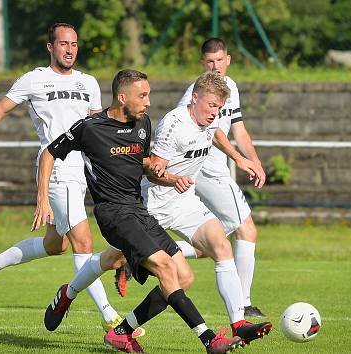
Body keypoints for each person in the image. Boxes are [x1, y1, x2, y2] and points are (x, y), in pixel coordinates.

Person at [34, 69, 243, 353]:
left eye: (149, 95)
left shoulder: (143, 123)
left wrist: (169, 177)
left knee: (184, 276)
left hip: (139, 211)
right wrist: (42, 198)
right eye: (142, 96)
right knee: (166, 267)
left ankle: (116, 328)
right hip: (112, 214)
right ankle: (209, 340)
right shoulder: (90, 128)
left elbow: (144, 166)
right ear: (122, 97)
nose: (148, 102)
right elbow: (49, 152)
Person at [0, 22, 141, 336]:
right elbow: (3, 106)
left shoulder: (88, 82)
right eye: (63, 44)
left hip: (85, 169)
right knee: (84, 243)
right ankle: (111, 317)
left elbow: (96, 122)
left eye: (74, 44)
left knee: (54, 244)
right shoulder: (34, 79)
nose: (70, 49)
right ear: (50, 47)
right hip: (57, 168)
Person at [140, 71, 271, 344]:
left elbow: (217, 134)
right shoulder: (174, 124)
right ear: (194, 97)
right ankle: (70, 292)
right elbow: (153, 172)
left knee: (222, 247)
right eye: (212, 105)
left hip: (185, 202)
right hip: (154, 206)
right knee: (111, 259)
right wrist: (173, 179)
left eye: (220, 108)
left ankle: (239, 323)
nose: (215, 113)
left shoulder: (209, 120)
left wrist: (241, 159)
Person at [175, 37, 267, 318]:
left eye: (219, 61)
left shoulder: (231, 88)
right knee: (246, 230)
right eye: (209, 62)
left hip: (207, 168)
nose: (215, 67)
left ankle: (139, 256)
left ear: (228, 60)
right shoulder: (198, 91)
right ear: (202, 63)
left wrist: (255, 160)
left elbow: (238, 130)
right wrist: (239, 159)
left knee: (213, 241)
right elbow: (214, 133)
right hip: (204, 168)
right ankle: (244, 304)